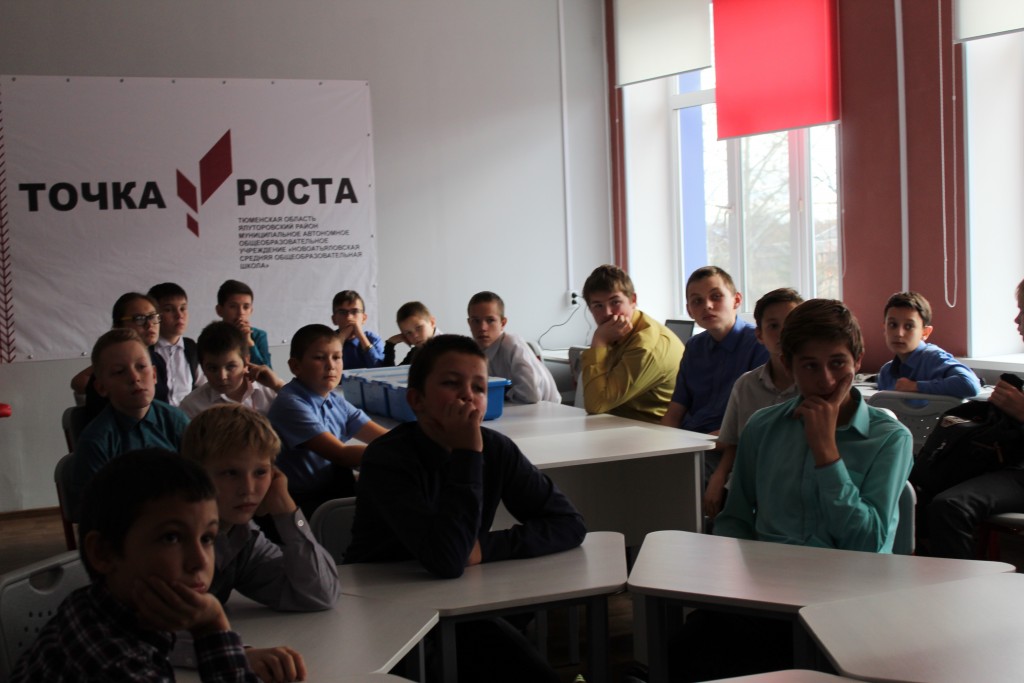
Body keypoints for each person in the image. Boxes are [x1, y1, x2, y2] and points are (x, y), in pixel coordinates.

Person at [670, 300, 913, 683]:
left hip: (848, 597)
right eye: (810, 366)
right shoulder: (762, 427)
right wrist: (735, 585)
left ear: (858, 359)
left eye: (837, 363)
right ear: (789, 364)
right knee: (687, 646)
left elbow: (867, 545)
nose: (827, 380)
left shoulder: (889, 438)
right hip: (768, 592)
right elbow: (735, 519)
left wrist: (826, 451)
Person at [345, 334, 585, 683]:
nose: (467, 395)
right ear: (416, 400)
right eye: (450, 384)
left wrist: (485, 548)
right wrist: (468, 454)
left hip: (459, 596)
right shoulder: (388, 458)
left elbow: (569, 523)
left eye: (479, 387)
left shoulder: (497, 449)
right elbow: (447, 559)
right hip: (383, 605)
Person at [11, 449, 261, 683]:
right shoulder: (115, 664)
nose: (200, 561)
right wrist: (213, 624)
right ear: (103, 553)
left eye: (207, 538)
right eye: (171, 537)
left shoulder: (96, 607)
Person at [180, 405, 341, 680]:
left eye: (261, 472)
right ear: (195, 475)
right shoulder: (169, 540)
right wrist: (234, 654)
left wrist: (286, 511)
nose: (248, 489)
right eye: (230, 473)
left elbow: (318, 594)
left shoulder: (241, 536)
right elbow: (149, 631)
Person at [926, 279, 1024, 559]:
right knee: (923, 481)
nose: (1016, 320)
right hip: (1012, 467)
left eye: (1023, 311)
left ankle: (962, 584)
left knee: (950, 507)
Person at [267, 324, 388, 517]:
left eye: (337, 357)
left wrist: (413, 446)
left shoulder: (333, 399)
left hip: (331, 489)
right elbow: (341, 454)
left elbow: (384, 438)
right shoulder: (290, 404)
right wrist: (401, 452)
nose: (331, 366)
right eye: (319, 358)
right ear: (295, 366)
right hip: (302, 502)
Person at [661, 267, 770, 481]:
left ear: (736, 300)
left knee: (674, 478)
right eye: (697, 301)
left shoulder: (759, 344)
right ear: (689, 310)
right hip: (691, 441)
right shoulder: (694, 347)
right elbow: (675, 412)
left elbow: (752, 423)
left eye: (716, 297)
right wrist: (660, 445)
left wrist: (696, 442)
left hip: (727, 448)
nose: (707, 306)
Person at [704, 288, 803, 520]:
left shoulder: (814, 385)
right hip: (746, 488)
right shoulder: (746, 385)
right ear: (759, 335)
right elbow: (734, 443)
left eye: (791, 325)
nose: (783, 334)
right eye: (773, 326)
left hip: (794, 488)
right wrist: (719, 477)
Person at [69, 328, 190, 515]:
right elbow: (94, 511)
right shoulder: (97, 440)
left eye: (141, 367)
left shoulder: (176, 421)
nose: (134, 378)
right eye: (119, 372)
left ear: (154, 375)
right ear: (101, 387)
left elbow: (198, 482)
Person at [578, 264, 684, 423]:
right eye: (598, 306)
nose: (607, 313)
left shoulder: (645, 346)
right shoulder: (616, 333)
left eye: (615, 302)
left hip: (653, 431)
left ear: (633, 300)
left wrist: (599, 340)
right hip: (620, 423)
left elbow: (596, 405)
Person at [71, 292, 172, 421]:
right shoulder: (108, 364)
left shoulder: (157, 359)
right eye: (139, 319)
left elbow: (164, 410)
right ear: (118, 326)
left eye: (153, 317)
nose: (149, 324)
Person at [877, 290, 981, 397]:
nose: (899, 333)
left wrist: (915, 386)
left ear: (925, 332)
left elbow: (970, 384)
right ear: (884, 328)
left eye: (908, 326)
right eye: (893, 325)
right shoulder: (886, 373)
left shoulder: (933, 358)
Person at [466, 291, 560, 404]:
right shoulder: (474, 350)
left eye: (490, 320)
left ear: (503, 323)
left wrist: (501, 393)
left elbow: (531, 395)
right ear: (469, 323)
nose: (482, 327)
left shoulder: (512, 345)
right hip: (518, 406)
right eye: (476, 321)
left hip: (547, 408)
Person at [180, 322, 284, 418]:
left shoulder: (271, 391)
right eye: (212, 368)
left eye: (230, 367)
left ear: (246, 361)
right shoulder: (192, 406)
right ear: (202, 367)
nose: (222, 376)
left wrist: (278, 386)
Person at [148, 282, 205, 406]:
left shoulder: (192, 349)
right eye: (168, 310)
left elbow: (204, 386)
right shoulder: (146, 350)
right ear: (155, 315)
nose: (179, 316)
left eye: (183, 308)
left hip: (188, 415)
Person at [216, 279, 272, 368]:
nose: (240, 313)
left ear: (251, 311)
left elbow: (267, 372)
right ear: (219, 310)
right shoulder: (211, 336)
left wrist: (249, 342)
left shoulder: (259, 335)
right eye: (233, 306)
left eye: (246, 307)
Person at [331, 289, 385, 369]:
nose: (349, 317)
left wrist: (361, 336)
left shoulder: (373, 339)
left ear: (364, 318)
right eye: (342, 312)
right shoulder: (327, 340)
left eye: (354, 311)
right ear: (334, 319)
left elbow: (379, 369)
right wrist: (341, 338)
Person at [382, 300, 439, 366]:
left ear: (432, 322)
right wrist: (390, 344)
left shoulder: (446, 349)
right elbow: (391, 372)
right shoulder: (416, 352)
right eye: (408, 333)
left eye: (418, 327)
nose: (415, 335)